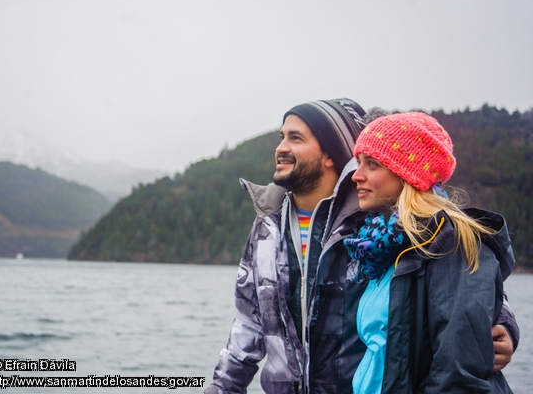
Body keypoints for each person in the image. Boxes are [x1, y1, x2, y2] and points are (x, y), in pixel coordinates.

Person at [205, 100, 519, 394]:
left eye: (296, 138)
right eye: (281, 136)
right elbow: (248, 325)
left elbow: (464, 284)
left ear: (330, 154)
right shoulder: (268, 225)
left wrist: (502, 324)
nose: (281, 148)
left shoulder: (373, 221)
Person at [344, 112, 514, 393]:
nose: (356, 175)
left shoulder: (451, 245)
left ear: (407, 174)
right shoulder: (384, 249)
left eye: (371, 164)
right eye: (359, 162)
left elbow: (458, 378)